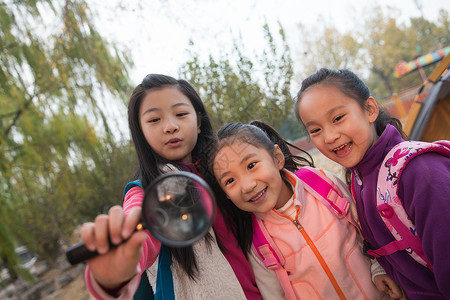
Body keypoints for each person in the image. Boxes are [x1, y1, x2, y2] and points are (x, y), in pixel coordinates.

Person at [79, 74, 283, 299]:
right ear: (141, 133)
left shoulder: (227, 174)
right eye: (154, 120)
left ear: (198, 122)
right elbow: (140, 238)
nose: (170, 126)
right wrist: (118, 264)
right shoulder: (146, 193)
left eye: (181, 114)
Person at [295, 68, 450, 299]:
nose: (329, 137)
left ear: (370, 109)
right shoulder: (359, 178)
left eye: (337, 118)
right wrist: (381, 269)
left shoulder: (419, 171)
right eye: (316, 130)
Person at [211, 121, 403, 299]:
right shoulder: (258, 241)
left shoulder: (321, 184)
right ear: (225, 194)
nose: (246, 186)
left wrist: (379, 269)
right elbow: (274, 296)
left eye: (251, 165)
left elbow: (367, 227)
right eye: (230, 181)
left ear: (277, 158)